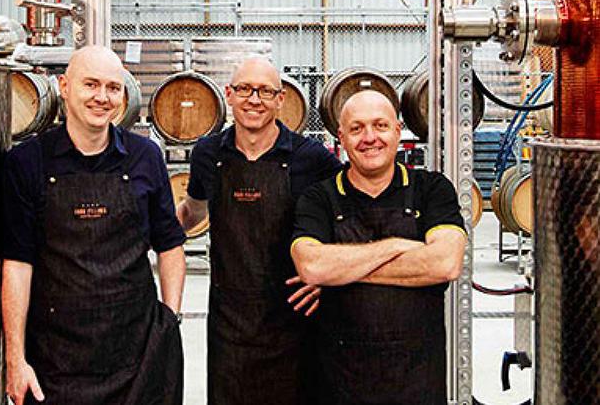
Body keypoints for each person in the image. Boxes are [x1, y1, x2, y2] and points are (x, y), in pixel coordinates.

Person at [0, 46, 186, 405]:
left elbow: (170, 244)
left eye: (113, 88)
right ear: (64, 86)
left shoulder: (145, 157)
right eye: (91, 85)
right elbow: (18, 265)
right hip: (56, 361)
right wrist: (15, 359)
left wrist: (170, 320)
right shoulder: (27, 162)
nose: (103, 97)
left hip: (137, 356)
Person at [176, 57, 342, 404]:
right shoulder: (208, 153)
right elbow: (192, 212)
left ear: (281, 99)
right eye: (245, 90)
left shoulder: (310, 157)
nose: (255, 99)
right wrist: (142, 232)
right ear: (229, 95)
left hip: (295, 318)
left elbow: (348, 216)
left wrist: (329, 278)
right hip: (229, 321)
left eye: (266, 91)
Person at [291, 90, 467, 404]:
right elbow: (312, 266)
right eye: (357, 129)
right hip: (338, 384)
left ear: (398, 131)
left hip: (417, 382)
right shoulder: (319, 197)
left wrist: (343, 271)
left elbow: (444, 263)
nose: (369, 137)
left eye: (380, 126)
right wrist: (400, 246)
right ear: (341, 138)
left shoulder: (432, 189)